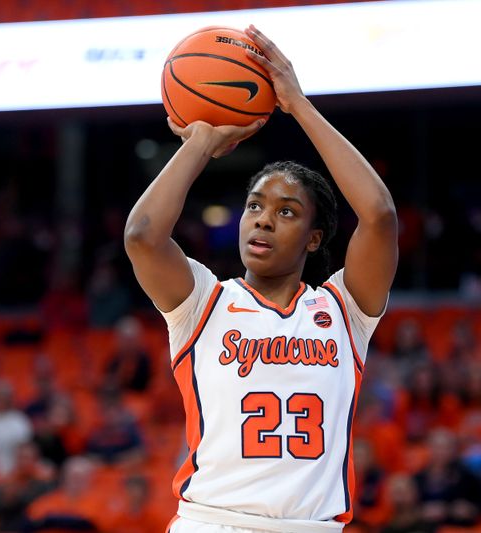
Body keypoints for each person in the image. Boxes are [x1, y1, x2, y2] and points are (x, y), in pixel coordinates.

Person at [125, 25, 397, 533]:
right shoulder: (203, 303)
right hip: (212, 522)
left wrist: (299, 106)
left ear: (315, 239)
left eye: (287, 212)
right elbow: (142, 235)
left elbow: (379, 214)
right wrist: (201, 140)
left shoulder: (344, 311)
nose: (264, 219)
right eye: (255, 205)